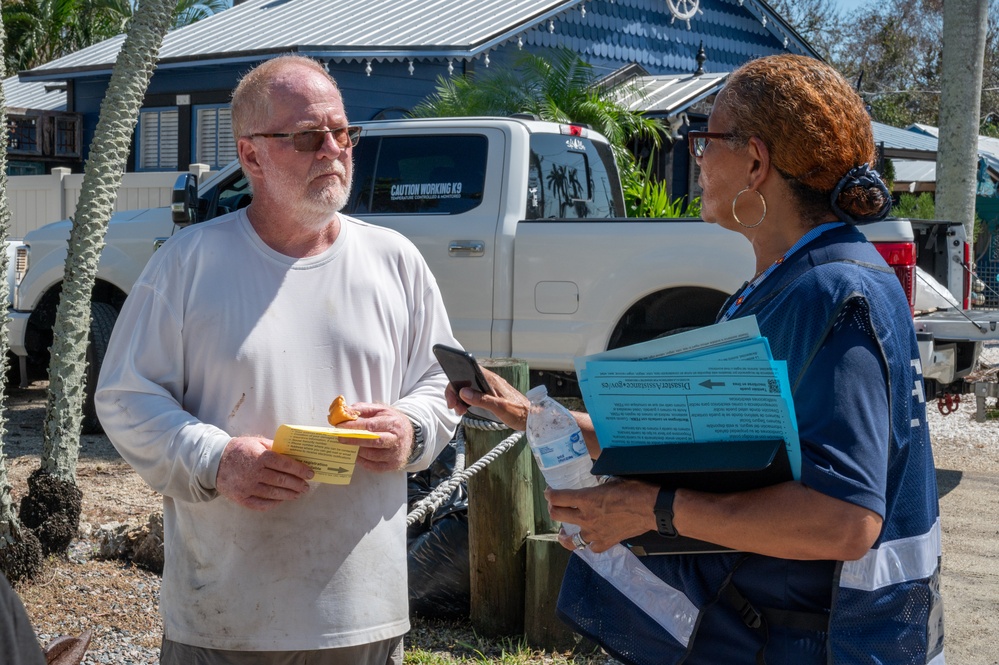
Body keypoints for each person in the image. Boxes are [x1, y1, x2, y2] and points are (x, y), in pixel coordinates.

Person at [447, 54, 943, 665]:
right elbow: (712, 449)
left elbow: (844, 521)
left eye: (706, 139)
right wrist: (531, 415)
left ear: (756, 162)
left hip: (813, 644)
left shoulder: (830, 291)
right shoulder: (800, 279)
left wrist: (650, 510)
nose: (699, 158)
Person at [95, 55, 461, 665]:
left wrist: (412, 429)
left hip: (363, 616)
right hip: (226, 621)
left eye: (342, 132)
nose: (332, 150)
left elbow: (436, 381)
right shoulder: (189, 263)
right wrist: (218, 460)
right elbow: (126, 398)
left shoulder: (394, 260)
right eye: (306, 136)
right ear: (251, 156)